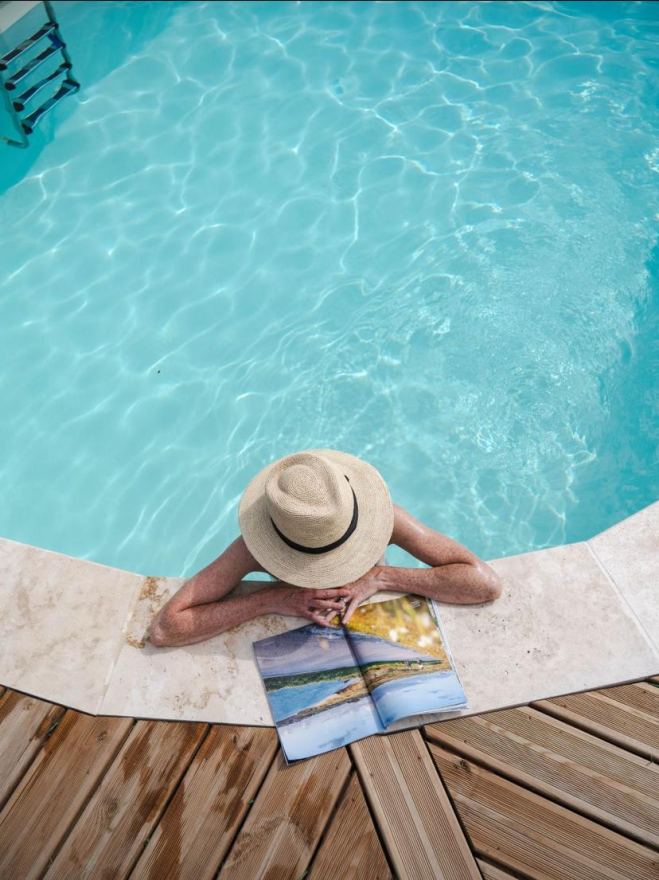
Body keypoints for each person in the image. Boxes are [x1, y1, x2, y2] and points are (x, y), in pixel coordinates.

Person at [148, 449, 502, 648]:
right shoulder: (253, 549)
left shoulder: (386, 520)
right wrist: (269, 600)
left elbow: (483, 582)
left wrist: (382, 577)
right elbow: (166, 627)